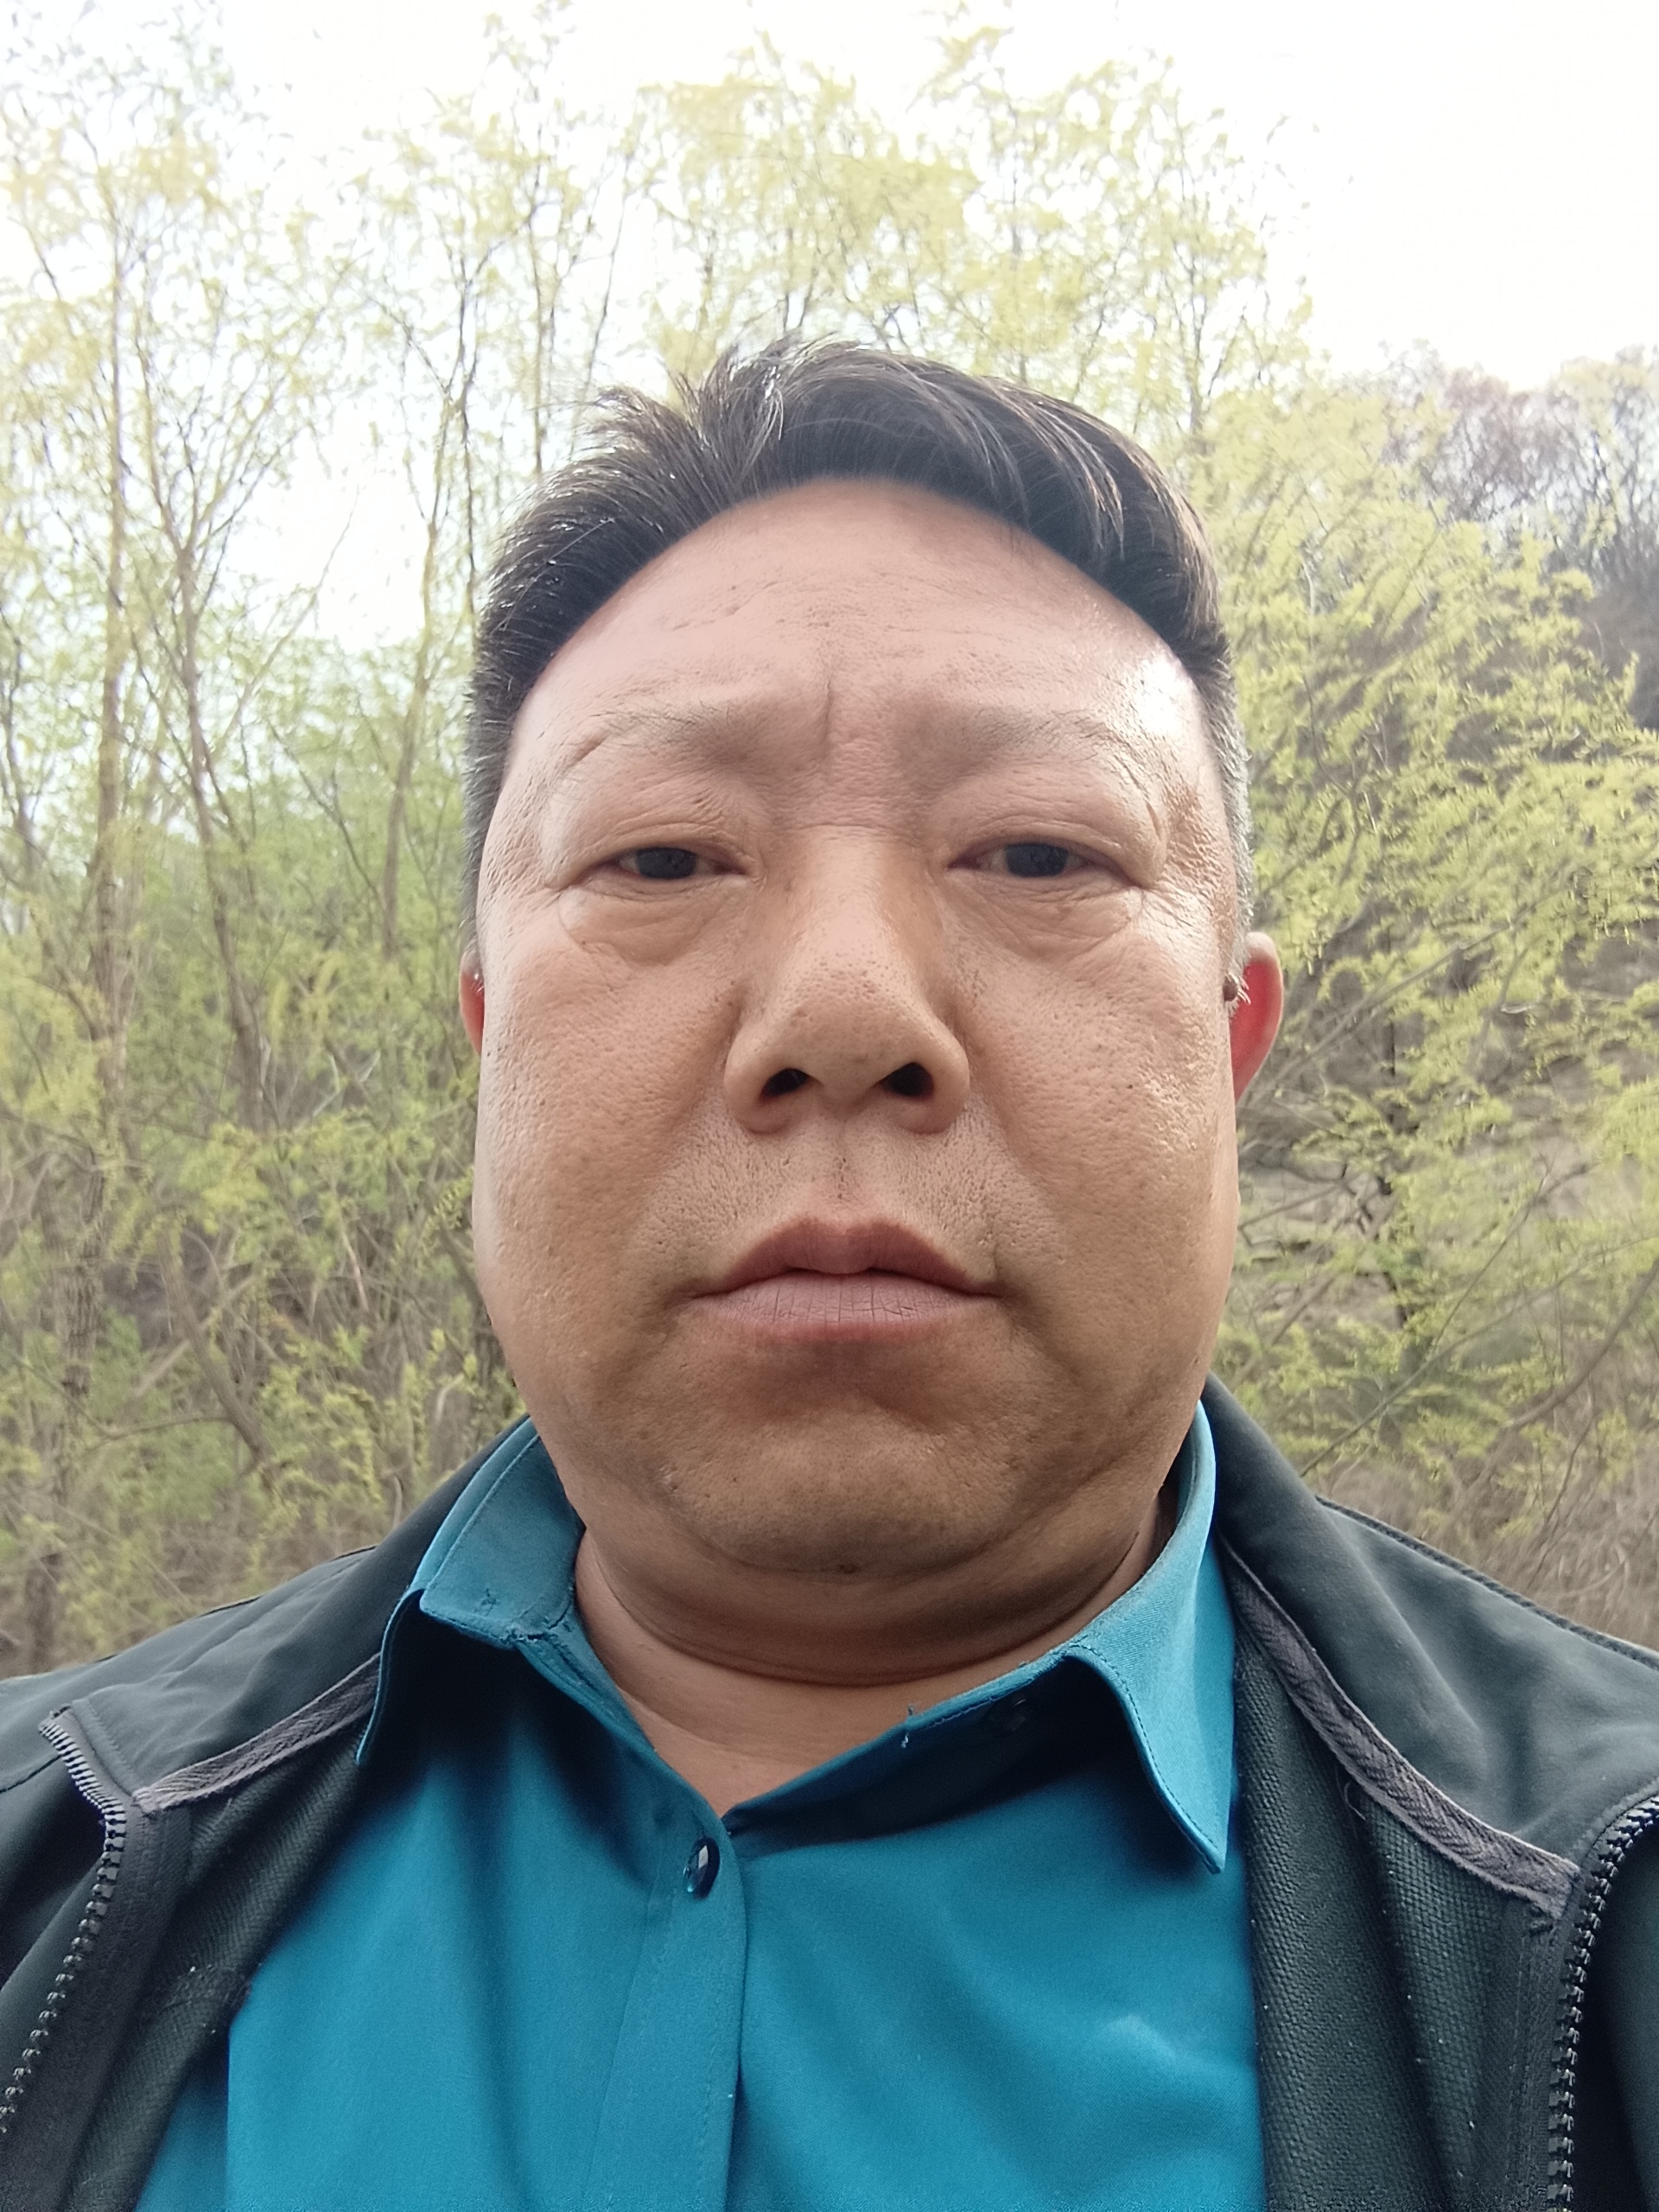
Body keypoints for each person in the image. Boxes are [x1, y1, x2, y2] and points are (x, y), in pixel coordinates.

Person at [0, 342, 1655, 2212]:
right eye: (663, 856)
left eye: (1037, 850)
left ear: (1230, 1046)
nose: (846, 1010)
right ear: (487, 1044)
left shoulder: (1613, 1928)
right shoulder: (45, 1859)